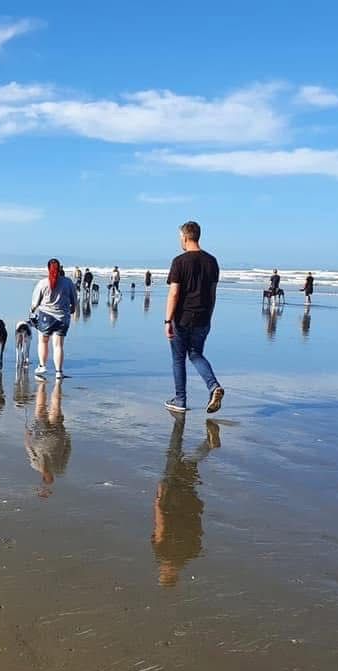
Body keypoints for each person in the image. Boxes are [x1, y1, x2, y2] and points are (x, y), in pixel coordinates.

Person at [152, 415, 219, 587]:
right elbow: (161, 525)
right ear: (166, 573)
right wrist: (159, 499)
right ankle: (190, 434)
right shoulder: (163, 553)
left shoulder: (189, 555)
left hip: (190, 505)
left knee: (186, 467)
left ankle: (206, 445)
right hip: (172, 504)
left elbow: (198, 532)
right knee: (174, 455)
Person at [164, 221, 223, 414]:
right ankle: (213, 386)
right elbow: (213, 293)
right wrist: (210, 316)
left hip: (182, 318)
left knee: (179, 358)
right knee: (196, 354)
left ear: (185, 236)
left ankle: (180, 399)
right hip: (203, 316)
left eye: (180, 237)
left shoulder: (179, 262)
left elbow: (174, 293)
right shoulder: (212, 261)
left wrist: (167, 320)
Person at [30, 258, 77, 380]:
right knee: (58, 345)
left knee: (43, 341)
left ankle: (42, 366)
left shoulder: (43, 283)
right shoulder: (68, 283)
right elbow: (74, 301)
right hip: (63, 317)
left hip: (46, 316)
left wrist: (32, 310)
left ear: (48, 269)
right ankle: (59, 372)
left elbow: (35, 303)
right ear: (60, 268)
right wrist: (72, 310)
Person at [25, 380, 71, 498]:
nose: (49, 477)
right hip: (57, 436)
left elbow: (30, 451)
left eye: (46, 479)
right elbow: (67, 453)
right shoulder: (60, 468)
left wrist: (27, 438)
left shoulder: (35, 465)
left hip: (40, 436)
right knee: (55, 409)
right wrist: (68, 438)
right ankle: (55, 384)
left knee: (41, 409)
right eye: (50, 479)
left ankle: (43, 386)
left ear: (43, 477)